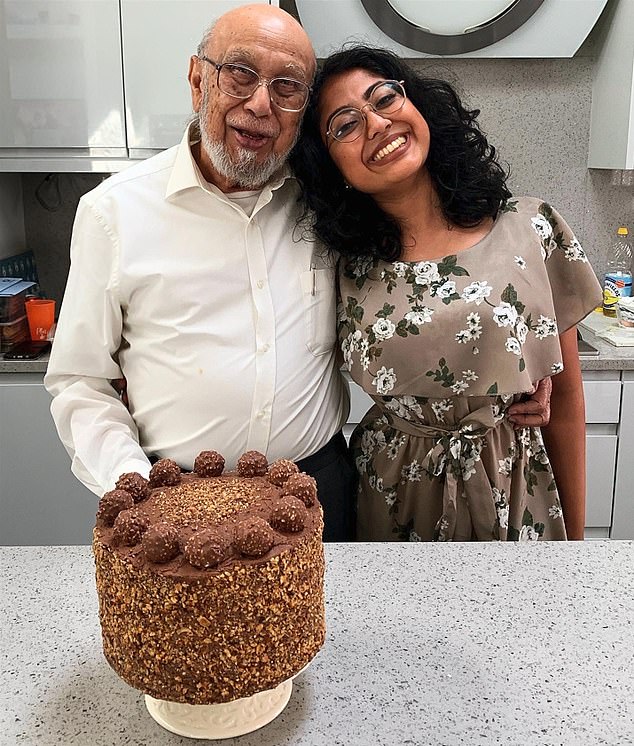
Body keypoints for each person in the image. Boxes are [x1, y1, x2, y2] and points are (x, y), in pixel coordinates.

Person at [44, 7, 547, 543]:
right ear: (197, 80)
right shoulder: (113, 213)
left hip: (318, 485)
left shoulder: (330, 202)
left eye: (287, 86)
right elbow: (81, 380)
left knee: (330, 629)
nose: (260, 103)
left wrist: (513, 363)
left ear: (301, 109)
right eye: (240, 72)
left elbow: (423, 290)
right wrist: (136, 487)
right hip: (174, 496)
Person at [290, 46, 602, 542]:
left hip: (513, 484)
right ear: (330, 165)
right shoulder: (336, 263)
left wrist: (579, 549)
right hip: (390, 497)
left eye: (384, 98)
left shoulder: (530, 227)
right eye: (345, 125)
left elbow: (564, 398)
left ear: (418, 106)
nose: (375, 123)